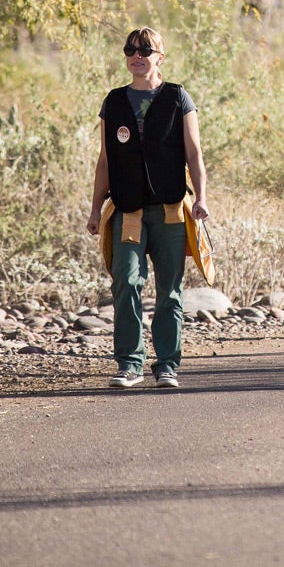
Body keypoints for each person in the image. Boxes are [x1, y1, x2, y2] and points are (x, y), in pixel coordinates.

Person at [86, 27, 210, 388]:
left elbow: (194, 152)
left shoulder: (177, 97)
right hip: (128, 210)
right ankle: (130, 364)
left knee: (169, 289)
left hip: (170, 209)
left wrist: (201, 199)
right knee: (125, 279)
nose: (137, 55)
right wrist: (95, 210)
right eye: (131, 49)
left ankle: (167, 365)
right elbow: (105, 161)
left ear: (160, 57)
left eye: (145, 50)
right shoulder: (114, 101)